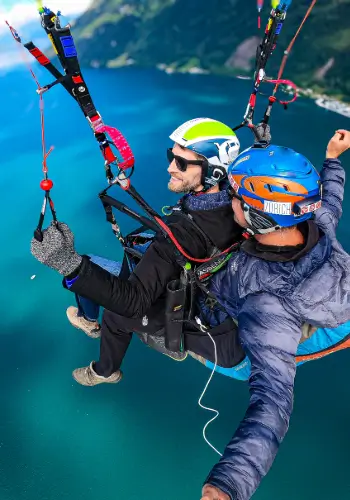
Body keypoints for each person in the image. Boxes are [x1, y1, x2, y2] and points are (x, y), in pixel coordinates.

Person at [31, 117, 249, 384]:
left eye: (180, 162)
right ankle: (89, 319)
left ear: (213, 171)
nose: (170, 167)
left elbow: (132, 302)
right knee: (94, 265)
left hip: (189, 312)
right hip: (199, 280)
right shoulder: (240, 203)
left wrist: (67, 264)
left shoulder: (179, 237)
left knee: (114, 311)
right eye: (172, 156)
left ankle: (104, 371)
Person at [198, 129, 350, 500]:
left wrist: (229, 484)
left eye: (235, 198)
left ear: (258, 218)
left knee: (154, 317)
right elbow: (330, 199)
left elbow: (273, 402)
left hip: (243, 352)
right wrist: (333, 157)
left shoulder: (266, 302)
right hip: (321, 313)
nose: (228, 200)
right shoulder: (318, 227)